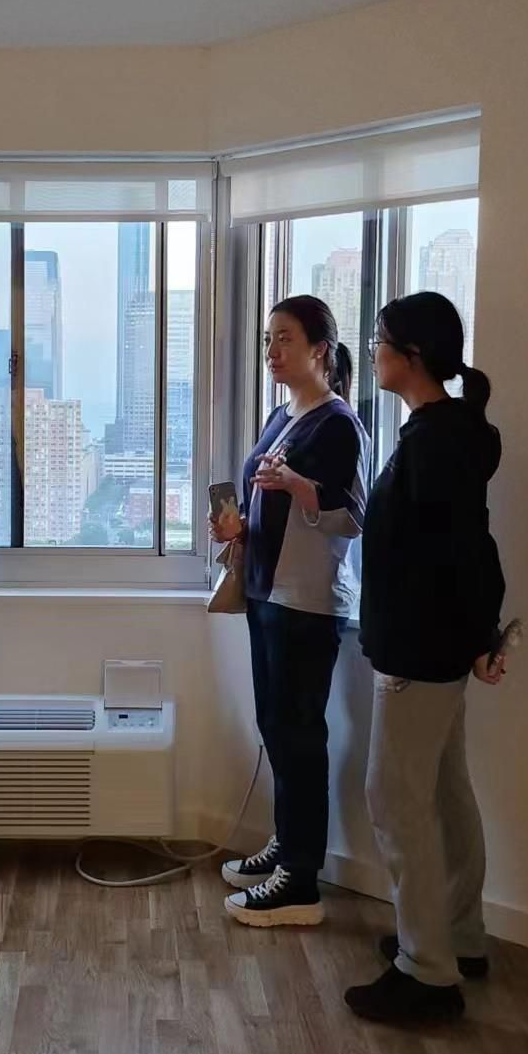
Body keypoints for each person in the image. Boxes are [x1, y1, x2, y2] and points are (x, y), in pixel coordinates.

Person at [345, 291, 506, 1026]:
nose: (372, 352)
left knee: (394, 799)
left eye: (378, 341)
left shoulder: (435, 442)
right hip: (435, 645)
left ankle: (427, 971)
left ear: (410, 356)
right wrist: (478, 635)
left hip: (419, 651)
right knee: (443, 792)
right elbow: (466, 547)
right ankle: (457, 936)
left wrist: (480, 636)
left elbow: (463, 553)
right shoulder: (442, 433)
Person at [212, 295, 368, 928]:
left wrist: (298, 487)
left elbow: (352, 516)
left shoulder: (338, 424)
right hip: (266, 591)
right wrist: (239, 526)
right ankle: (287, 845)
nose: (272, 351)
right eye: (268, 340)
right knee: (277, 727)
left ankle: (301, 880)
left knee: (300, 735)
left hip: (305, 601)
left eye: (284, 339)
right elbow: (268, 500)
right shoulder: (282, 414)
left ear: (320, 350)